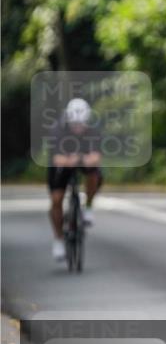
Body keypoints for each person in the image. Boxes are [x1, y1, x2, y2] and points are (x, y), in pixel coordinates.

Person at [48, 98, 103, 261]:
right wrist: (69, 161)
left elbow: (96, 157)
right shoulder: (58, 129)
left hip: (81, 159)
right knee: (56, 200)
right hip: (62, 163)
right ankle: (58, 239)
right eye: (75, 124)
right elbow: (57, 158)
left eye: (81, 125)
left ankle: (88, 207)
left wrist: (84, 159)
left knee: (94, 173)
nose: (78, 128)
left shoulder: (94, 129)